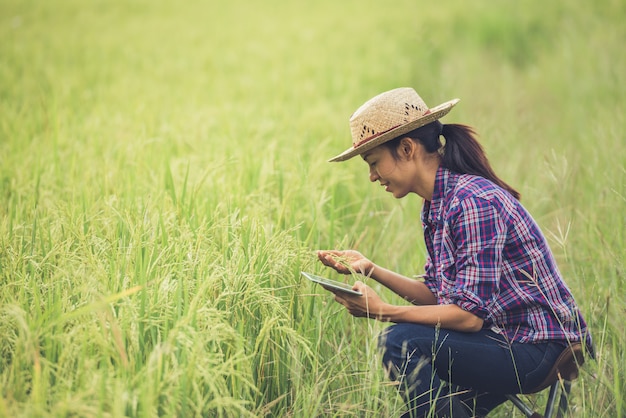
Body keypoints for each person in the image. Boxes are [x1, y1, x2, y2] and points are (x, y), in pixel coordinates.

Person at [316, 87, 593, 417]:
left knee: (399, 341)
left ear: (406, 149)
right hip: (506, 339)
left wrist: (382, 310)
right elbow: (440, 299)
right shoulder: (436, 206)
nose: (372, 176)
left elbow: (468, 317)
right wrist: (370, 269)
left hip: (539, 347)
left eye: (374, 163)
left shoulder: (472, 203)